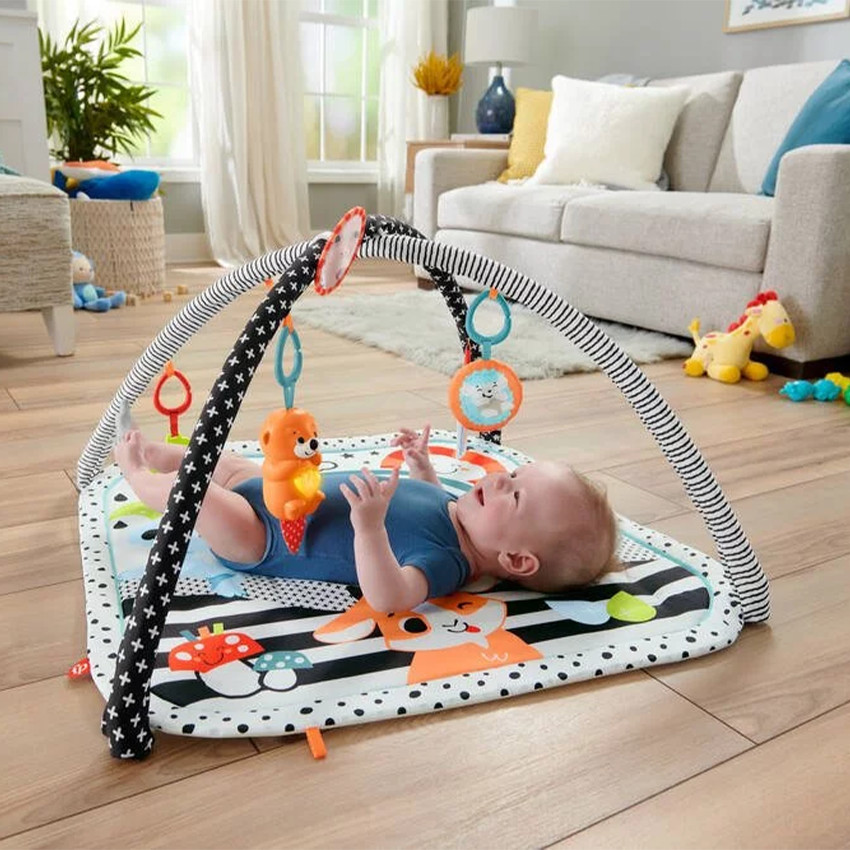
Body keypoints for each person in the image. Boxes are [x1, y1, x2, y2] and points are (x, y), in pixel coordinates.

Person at [114, 423, 619, 613]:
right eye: (515, 473)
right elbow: (427, 502)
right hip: (281, 493)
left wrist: (370, 528)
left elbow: (390, 596)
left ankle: (139, 476)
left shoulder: (448, 563)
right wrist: (422, 467)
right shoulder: (463, 515)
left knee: (199, 494)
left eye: (517, 496)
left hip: (262, 539)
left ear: (516, 559)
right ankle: (161, 454)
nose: (502, 479)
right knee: (235, 466)